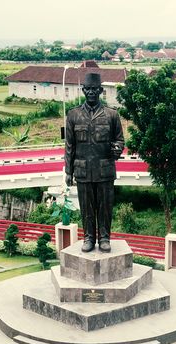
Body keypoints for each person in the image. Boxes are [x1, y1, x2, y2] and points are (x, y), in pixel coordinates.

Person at [64, 72, 125, 252]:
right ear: (83, 90)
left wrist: (117, 149)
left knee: (105, 207)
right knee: (86, 207)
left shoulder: (111, 115)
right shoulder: (73, 115)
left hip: (104, 169)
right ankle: (89, 238)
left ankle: (104, 238)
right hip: (82, 170)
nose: (91, 92)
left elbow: (120, 140)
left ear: (100, 90)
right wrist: (68, 171)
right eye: (88, 89)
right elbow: (69, 146)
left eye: (94, 89)